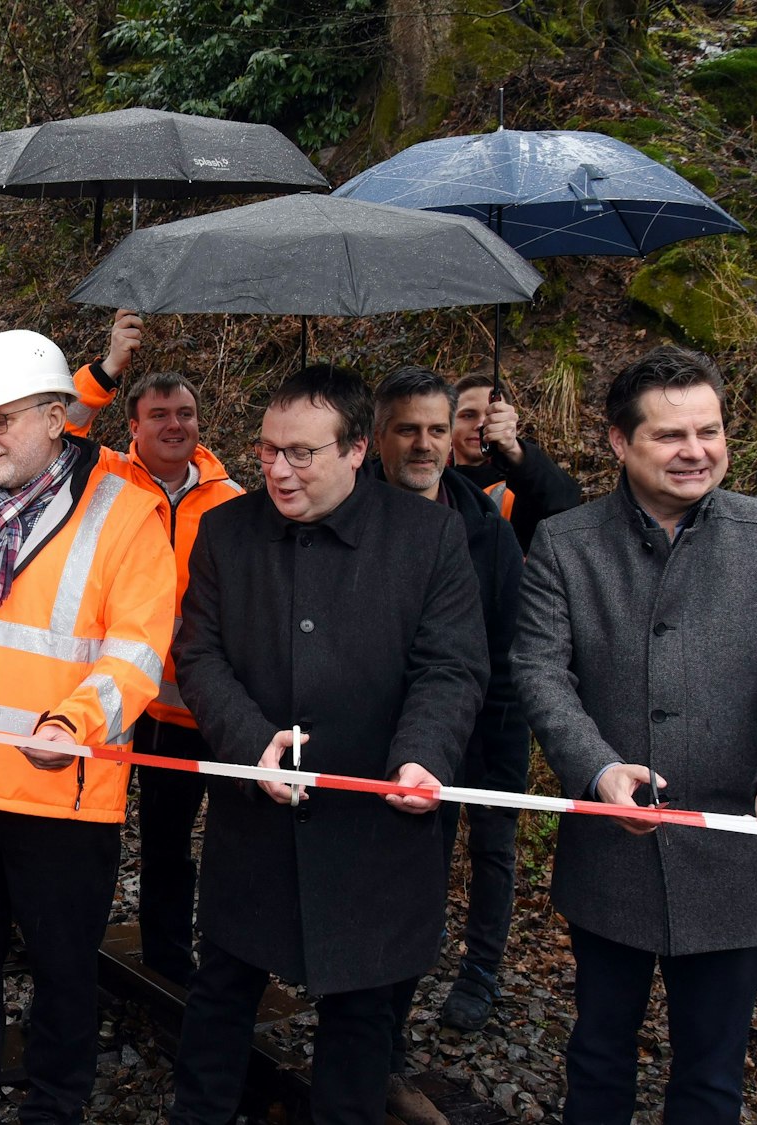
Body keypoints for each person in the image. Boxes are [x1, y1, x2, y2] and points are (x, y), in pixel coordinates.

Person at [512, 345, 757, 1124]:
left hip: (737, 851)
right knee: (598, 1057)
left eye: (710, 430)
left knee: (710, 1074)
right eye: (670, 435)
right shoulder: (566, 543)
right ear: (618, 441)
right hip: (612, 854)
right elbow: (538, 671)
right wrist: (597, 767)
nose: (695, 450)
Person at [169, 365, 488, 1125]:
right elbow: (199, 655)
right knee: (218, 1004)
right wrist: (252, 744)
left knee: (361, 1023)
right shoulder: (225, 531)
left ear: (355, 452)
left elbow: (452, 665)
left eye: (302, 452)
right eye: (269, 449)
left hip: (377, 829)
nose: (279, 469)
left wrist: (421, 756)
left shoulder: (432, 536)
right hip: (256, 825)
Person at [0, 329, 175, 1124]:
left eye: (1, 419)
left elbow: (138, 650)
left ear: (57, 416)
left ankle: (53, 1110)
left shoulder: (126, 511)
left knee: (65, 975)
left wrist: (73, 722)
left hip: (65, 796)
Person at [367, 366, 529, 1125]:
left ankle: (386, 1051)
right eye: (408, 429)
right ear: (377, 436)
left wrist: (490, 753)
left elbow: (499, 652)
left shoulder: (487, 531)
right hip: (355, 747)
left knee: (418, 904)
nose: (425, 443)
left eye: (437, 429)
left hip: (447, 750)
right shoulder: (348, 508)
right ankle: (360, 1044)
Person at [68, 308, 244, 985]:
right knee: (92, 829)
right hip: (109, 698)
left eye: (187, 413)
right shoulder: (103, 478)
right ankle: (75, 941)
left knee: (170, 843)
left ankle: (168, 959)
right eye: (161, 414)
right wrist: (110, 366)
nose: (176, 424)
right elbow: (65, 424)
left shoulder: (232, 499)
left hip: (181, 709)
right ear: (134, 424)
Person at [451, 372, 582, 551]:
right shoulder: (431, 483)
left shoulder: (520, 488)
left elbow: (564, 504)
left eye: (494, 415)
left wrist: (514, 450)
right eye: (468, 415)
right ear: (448, 423)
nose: (482, 424)